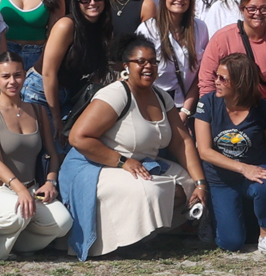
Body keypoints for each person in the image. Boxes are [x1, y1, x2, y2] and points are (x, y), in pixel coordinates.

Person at [62, 37, 207, 260]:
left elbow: (182, 141)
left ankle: (146, 234)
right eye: (140, 62)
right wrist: (122, 161)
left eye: (153, 62)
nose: (148, 67)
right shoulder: (116, 94)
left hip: (142, 163)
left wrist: (200, 182)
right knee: (151, 191)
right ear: (126, 66)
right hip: (97, 164)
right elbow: (79, 138)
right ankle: (121, 240)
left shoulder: (161, 96)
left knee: (186, 184)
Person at [0, 53, 73, 260]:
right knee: (18, 214)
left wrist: (50, 182)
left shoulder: (37, 110)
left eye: (18, 75)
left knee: (63, 223)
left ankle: (17, 243)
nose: (12, 82)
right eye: (6, 76)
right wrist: (20, 190)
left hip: (32, 187)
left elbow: (52, 154)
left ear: (25, 76)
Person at [194, 52, 266, 256]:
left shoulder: (262, 108)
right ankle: (212, 217)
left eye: (222, 78)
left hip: (256, 165)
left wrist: (252, 167)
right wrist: (243, 168)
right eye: (215, 75)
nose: (215, 82)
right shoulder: (207, 103)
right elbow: (204, 151)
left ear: (240, 82)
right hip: (222, 178)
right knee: (231, 243)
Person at [42, 0, 118, 136]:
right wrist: (56, 118)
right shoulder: (66, 25)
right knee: (54, 146)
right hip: (43, 91)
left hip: (72, 93)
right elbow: (48, 73)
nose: (92, 2)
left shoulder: (104, 28)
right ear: (76, 2)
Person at [198, 0, 266, 109]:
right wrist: (212, 113)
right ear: (242, 9)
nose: (258, 13)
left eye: (264, 9)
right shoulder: (221, 39)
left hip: (262, 108)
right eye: (251, 9)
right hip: (224, 108)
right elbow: (207, 81)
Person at [139, 0, 209, 118]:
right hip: (155, 107)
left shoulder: (200, 28)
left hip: (188, 106)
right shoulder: (148, 30)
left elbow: (201, 74)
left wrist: (185, 111)